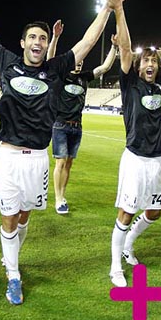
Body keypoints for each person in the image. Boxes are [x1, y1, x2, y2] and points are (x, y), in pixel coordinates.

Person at [0, 0, 114, 304]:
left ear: (47, 45)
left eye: (43, 38)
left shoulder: (55, 69)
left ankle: (10, 258)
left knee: (23, 217)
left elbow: (88, 41)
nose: (37, 42)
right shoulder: (6, 61)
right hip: (7, 155)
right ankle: (14, 275)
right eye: (32, 37)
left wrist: (106, 9)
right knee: (8, 218)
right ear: (23, 43)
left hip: (38, 158)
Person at [110, 1, 161, 287]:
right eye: (147, 61)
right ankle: (115, 266)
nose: (151, 64)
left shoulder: (159, 84)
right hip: (135, 158)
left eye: (154, 61)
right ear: (138, 66)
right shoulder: (130, 83)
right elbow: (127, 50)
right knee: (127, 213)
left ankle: (129, 244)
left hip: (157, 159)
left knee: (154, 212)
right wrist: (120, 12)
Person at [46, 19, 118, 214]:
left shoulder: (84, 77)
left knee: (68, 163)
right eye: (77, 62)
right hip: (60, 124)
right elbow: (50, 59)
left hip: (77, 126)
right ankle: (58, 198)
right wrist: (55, 37)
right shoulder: (61, 76)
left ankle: (63, 193)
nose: (79, 64)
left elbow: (104, 67)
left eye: (81, 62)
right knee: (60, 162)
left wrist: (114, 47)